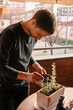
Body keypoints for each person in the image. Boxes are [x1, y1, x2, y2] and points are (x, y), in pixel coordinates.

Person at [0, 9, 56, 110]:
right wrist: (27, 76)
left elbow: (25, 54)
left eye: (42, 37)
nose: (39, 39)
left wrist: (36, 65)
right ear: (33, 22)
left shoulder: (33, 35)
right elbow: (1, 66)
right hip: (7, 86)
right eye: (39, 34)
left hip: (24, 84)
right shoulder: (9, 34)